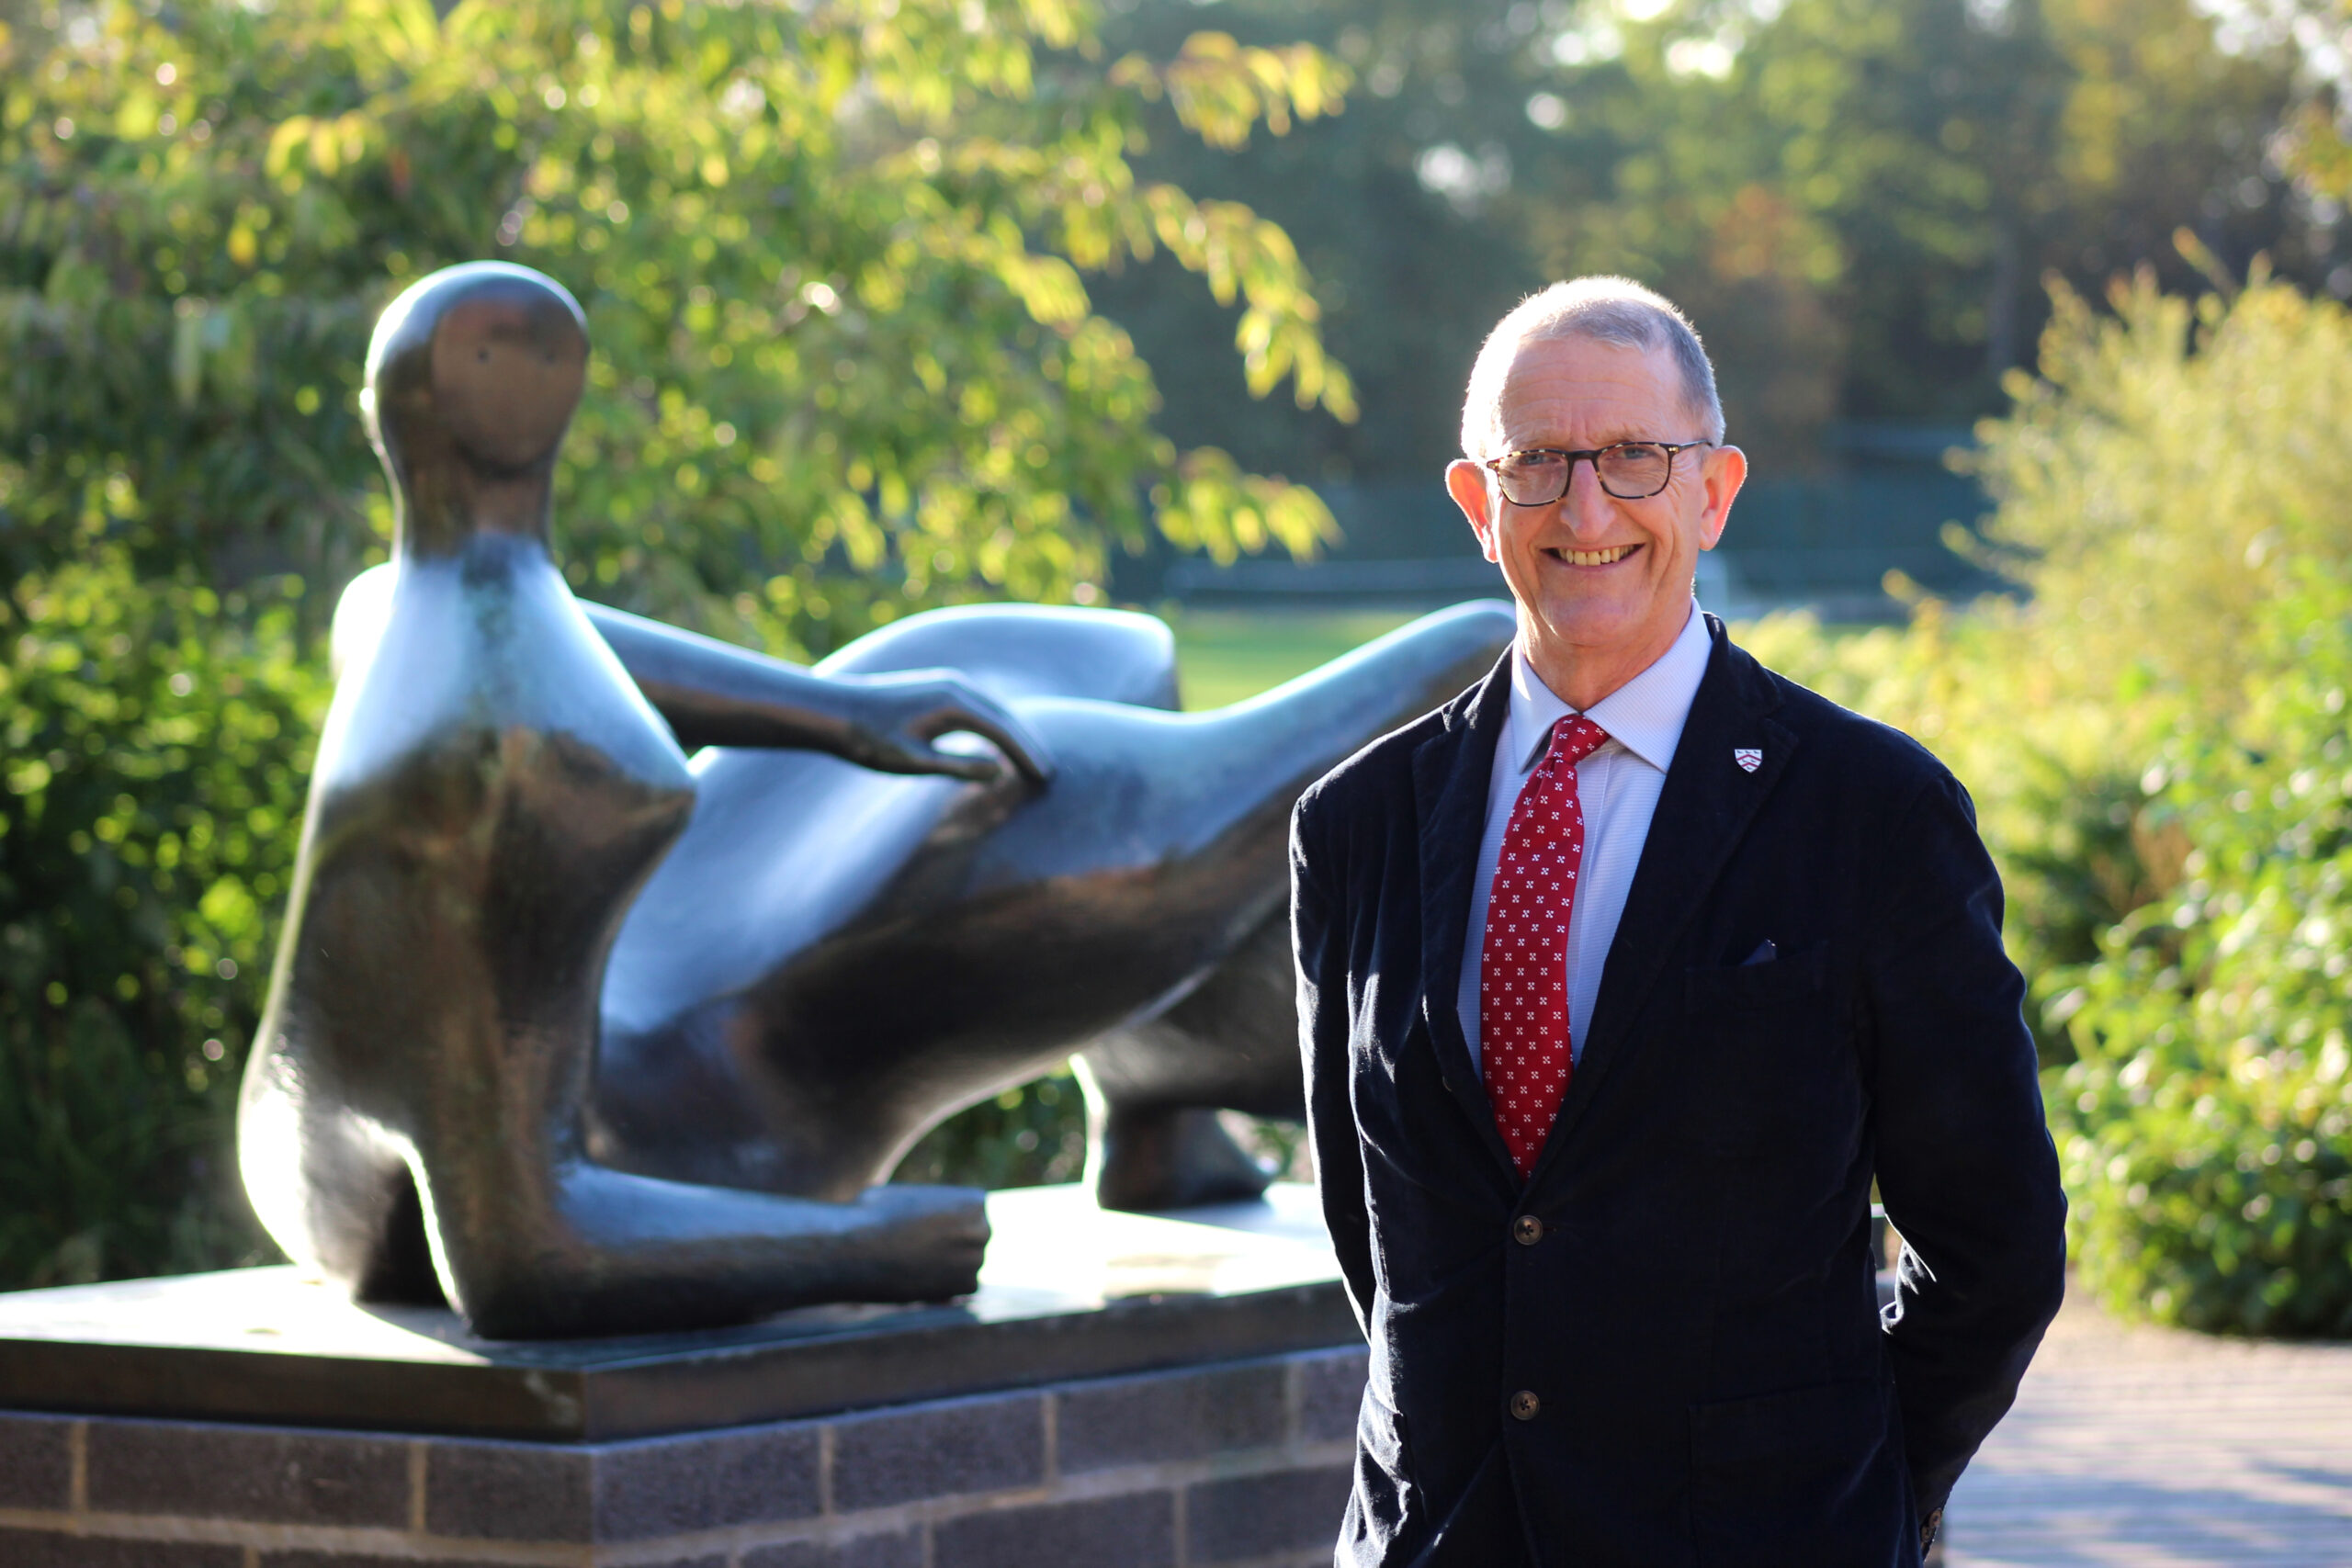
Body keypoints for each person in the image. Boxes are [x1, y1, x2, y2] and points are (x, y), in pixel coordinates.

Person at [1291, 276, 2067, 1566]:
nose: (1586, 508)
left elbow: (1997, 1251)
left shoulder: (1871, 813)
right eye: (1538, 463)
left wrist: (1862, 1493)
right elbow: (1374, 1232)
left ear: (1714, 491)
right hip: (1440, 1538)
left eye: (1635, 458)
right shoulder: (1357, 825)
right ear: (1479, 506)